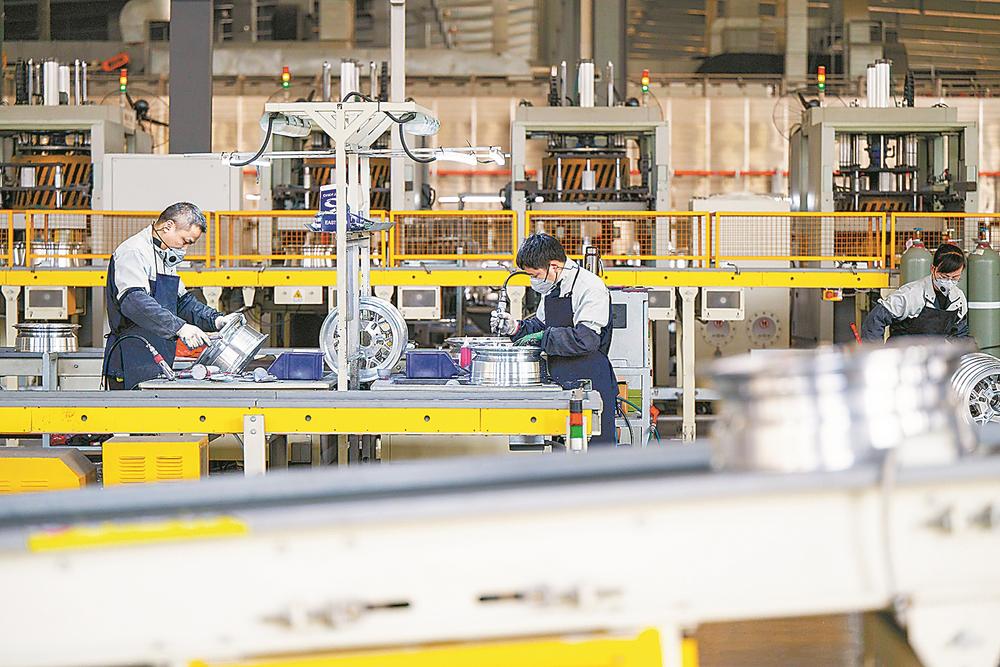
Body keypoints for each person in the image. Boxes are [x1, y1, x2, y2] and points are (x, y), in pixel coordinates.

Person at [491, 233, 618, 446]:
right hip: (559, 380)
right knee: (561, 448)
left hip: (589, 382)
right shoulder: (552, 286)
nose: (533, 281)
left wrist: (544, 337)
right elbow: (541, 325)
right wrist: (515, 327)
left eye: (535, 275)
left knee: (596, 450)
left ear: (554, 266)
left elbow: (586, 339)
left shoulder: (590, 286)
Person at [103, 202, 240, 389]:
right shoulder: (134, 252)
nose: (185, 248)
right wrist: (180, 328)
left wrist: (216, 320)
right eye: (185, 241)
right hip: (130, 359)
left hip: (157, 359)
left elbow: (182, 302)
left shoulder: (163, 256)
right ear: (168, 226)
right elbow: (134, 302)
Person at [861, 242, 970, 342]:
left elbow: (960, 334)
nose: (949, 282)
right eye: (944, 277)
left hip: (933, 354)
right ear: (933, 269)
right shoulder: (911, 294)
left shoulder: (958, 299)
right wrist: (876, 353)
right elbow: (875, 320)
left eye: (955, 278)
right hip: (903, 354)